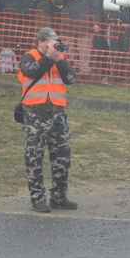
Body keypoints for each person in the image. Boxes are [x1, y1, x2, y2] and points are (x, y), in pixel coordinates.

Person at [20, 27, 78, 212]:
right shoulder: (29, 56)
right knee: (34, 157)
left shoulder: (59, 59)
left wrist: (58, 60)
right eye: (50, 43)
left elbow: (71, 78)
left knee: (62, 157)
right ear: (40, 43)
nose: (54, 46)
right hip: (36, 114)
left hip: (58, 114)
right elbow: (31, 72)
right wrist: (47, 58)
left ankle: (59, 197)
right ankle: (37, 198)